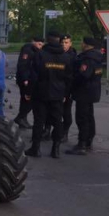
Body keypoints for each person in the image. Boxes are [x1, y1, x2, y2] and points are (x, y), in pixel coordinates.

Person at [24, 31, 73, 159]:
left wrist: (28, 92)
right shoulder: (65, 57)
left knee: (39, 121)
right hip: (58, 94)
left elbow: (33, 76)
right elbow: (68, 78)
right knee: (57, 121)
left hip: (41, 93)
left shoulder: (40, 55)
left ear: (47, 40)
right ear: (58, 41)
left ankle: (36, 148)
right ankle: (55, 149)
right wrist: (65, 94)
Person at [65, 37, 103, 156]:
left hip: (84, 92)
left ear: (87, 45)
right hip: (92, 91)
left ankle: (82, 144)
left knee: (82, 118)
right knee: (89, 117)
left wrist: (72, 83)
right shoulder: (97, 57)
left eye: (83, 42)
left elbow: (83, 75)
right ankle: (88, 142)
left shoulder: (88, 59)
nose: (81, 44)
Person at [13, 36, 44, 129]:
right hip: (25, 80)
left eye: (42, 44)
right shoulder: (27, 50)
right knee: (28, 100)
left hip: (31, 79)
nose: (40, 46)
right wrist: (25, 79)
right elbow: (23, 66)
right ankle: (20, 118)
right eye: (39, 44)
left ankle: (22, 119)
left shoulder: (35, 50)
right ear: (33, 42)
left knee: (26, 100)